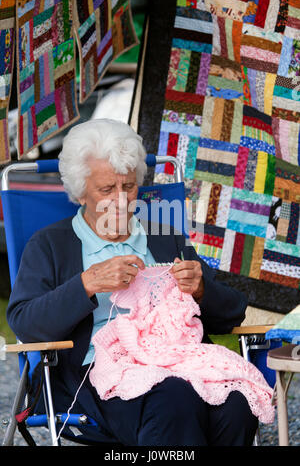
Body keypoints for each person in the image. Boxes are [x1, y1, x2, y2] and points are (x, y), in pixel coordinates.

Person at [7, 118, 258, 446]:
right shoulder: (51, 245)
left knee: (238, 403)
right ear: (81, 192)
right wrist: (87, 283)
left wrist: (201, 289)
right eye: (107, 189)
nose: (122, 200)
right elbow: (25, 323)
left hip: (180, 361)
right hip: (97, 376)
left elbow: (231, 314)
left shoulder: (165, 237)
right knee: (173, 398)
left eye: (128, 186)